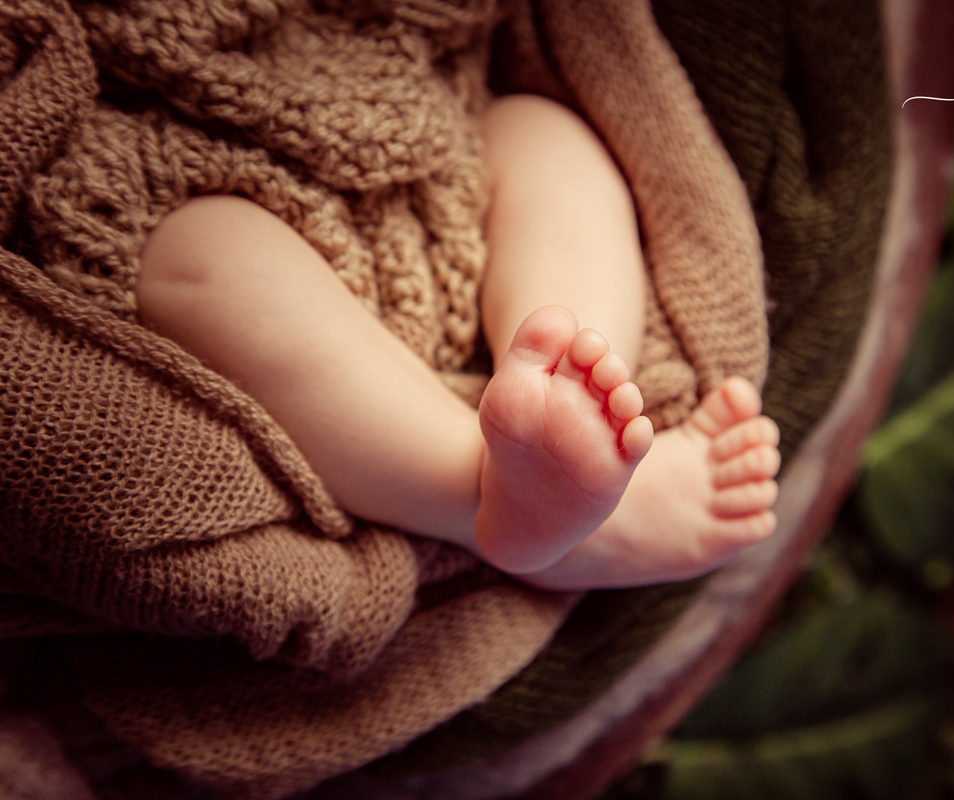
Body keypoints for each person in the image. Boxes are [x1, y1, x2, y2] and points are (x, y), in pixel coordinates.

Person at [134, 94, 782, 591]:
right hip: (197, 154)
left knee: (541, 133)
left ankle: (566, 404)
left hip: (425, 143)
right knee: (200, 256)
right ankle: (487, 497)